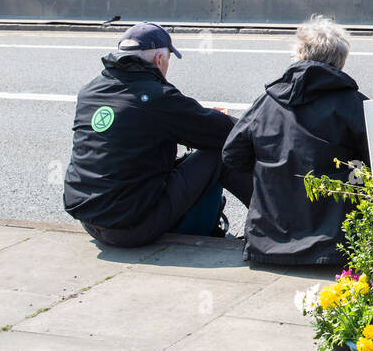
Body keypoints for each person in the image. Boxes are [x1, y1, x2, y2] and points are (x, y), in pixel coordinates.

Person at [64, 22, 253, 248]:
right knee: (218, 155)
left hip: (91, 221)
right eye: (169, 61)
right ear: (159, 60)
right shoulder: (157, 97)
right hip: (132, 228)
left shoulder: (90, 90)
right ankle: (274, 223)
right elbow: (227, 132)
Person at [222, 16, 368, 266]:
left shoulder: (267, 101)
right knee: (360, 170)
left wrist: (273, 179)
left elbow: (233, 154)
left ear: (300, 55)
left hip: (266, 243)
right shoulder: (355, 105)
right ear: (340, 63)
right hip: (334, 246)